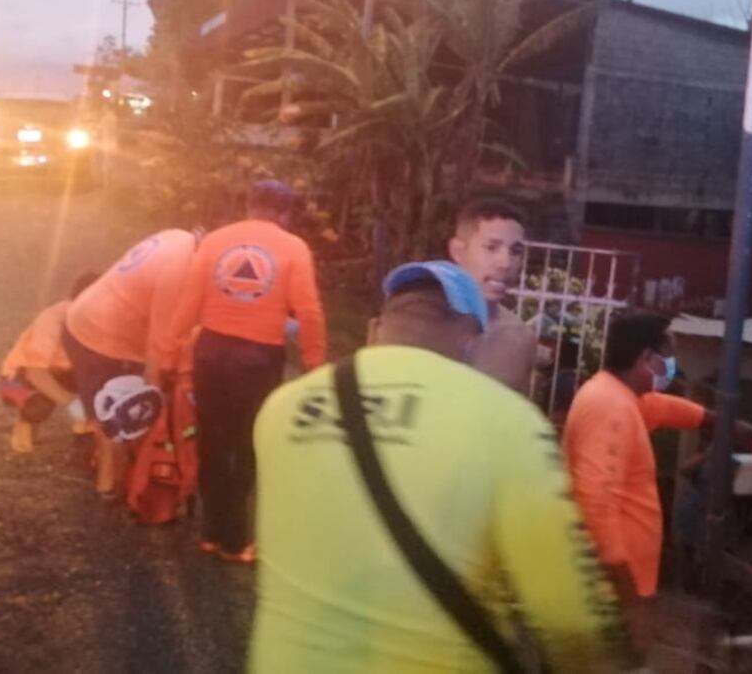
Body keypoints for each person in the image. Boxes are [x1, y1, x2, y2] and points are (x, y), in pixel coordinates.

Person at [249, 260, 625, 673]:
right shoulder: (506, 423)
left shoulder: (284, 407)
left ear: (376, 328)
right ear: (472, 341)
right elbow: (568, 618)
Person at [164, 179, 326, 564]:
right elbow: (309, 311)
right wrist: (315, 363)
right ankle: (235, 541)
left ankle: (210, 531)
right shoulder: (294, 248)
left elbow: (188, 302)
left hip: (211, 351)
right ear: (285, 213)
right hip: (256, 359)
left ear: (249, 206)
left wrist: (170, 353)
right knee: (247, 445)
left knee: (213, 441)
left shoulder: (215, 241)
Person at [563, 313, 752, 605]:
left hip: (617, 585)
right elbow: (596, 505)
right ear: (646, 357)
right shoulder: (610, 406)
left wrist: (717, 421)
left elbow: (660, 408)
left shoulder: (619, 395)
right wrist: (626, 592)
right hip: (612, 592)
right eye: (667, 357)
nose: (671, 367)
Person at [62, 228, 197, 496]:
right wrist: (156, 392)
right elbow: (159, 343)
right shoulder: (181, 274)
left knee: (106, 413)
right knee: (117, 418)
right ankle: (109, 486)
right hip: (107, 338)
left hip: (81, 319)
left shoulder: (178, 236)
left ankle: (108, 473)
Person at [447, 197, 539, 395]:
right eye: (491, 247)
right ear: (458, 251)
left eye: (515, 251)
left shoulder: (520, 339)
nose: (505, 263)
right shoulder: (415, 320)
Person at [1, 271, 100, 453]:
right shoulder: (52, 319)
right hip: (14, 381)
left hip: (62, 372)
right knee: (40, 403)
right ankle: (26, 421)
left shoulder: (97, 321)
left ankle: (84, 429)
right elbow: (35, 372)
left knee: (99, 382)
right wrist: (71, 402)